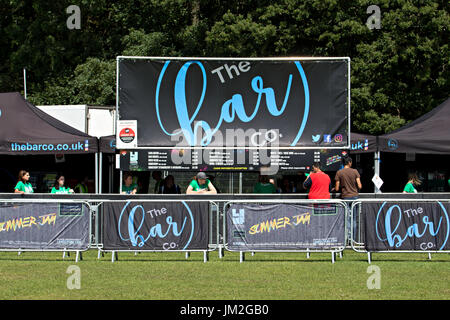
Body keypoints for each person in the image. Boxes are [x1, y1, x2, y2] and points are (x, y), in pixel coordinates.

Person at [335, 156, 362, 241]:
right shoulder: (355, 171)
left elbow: (336, 188)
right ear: (350, 162)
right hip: (354, 197)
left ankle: (347, 239)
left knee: (346, 219)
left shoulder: (339, 172)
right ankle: (353, 240)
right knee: (353, 219)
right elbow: (360, 185)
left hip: (345, 197)